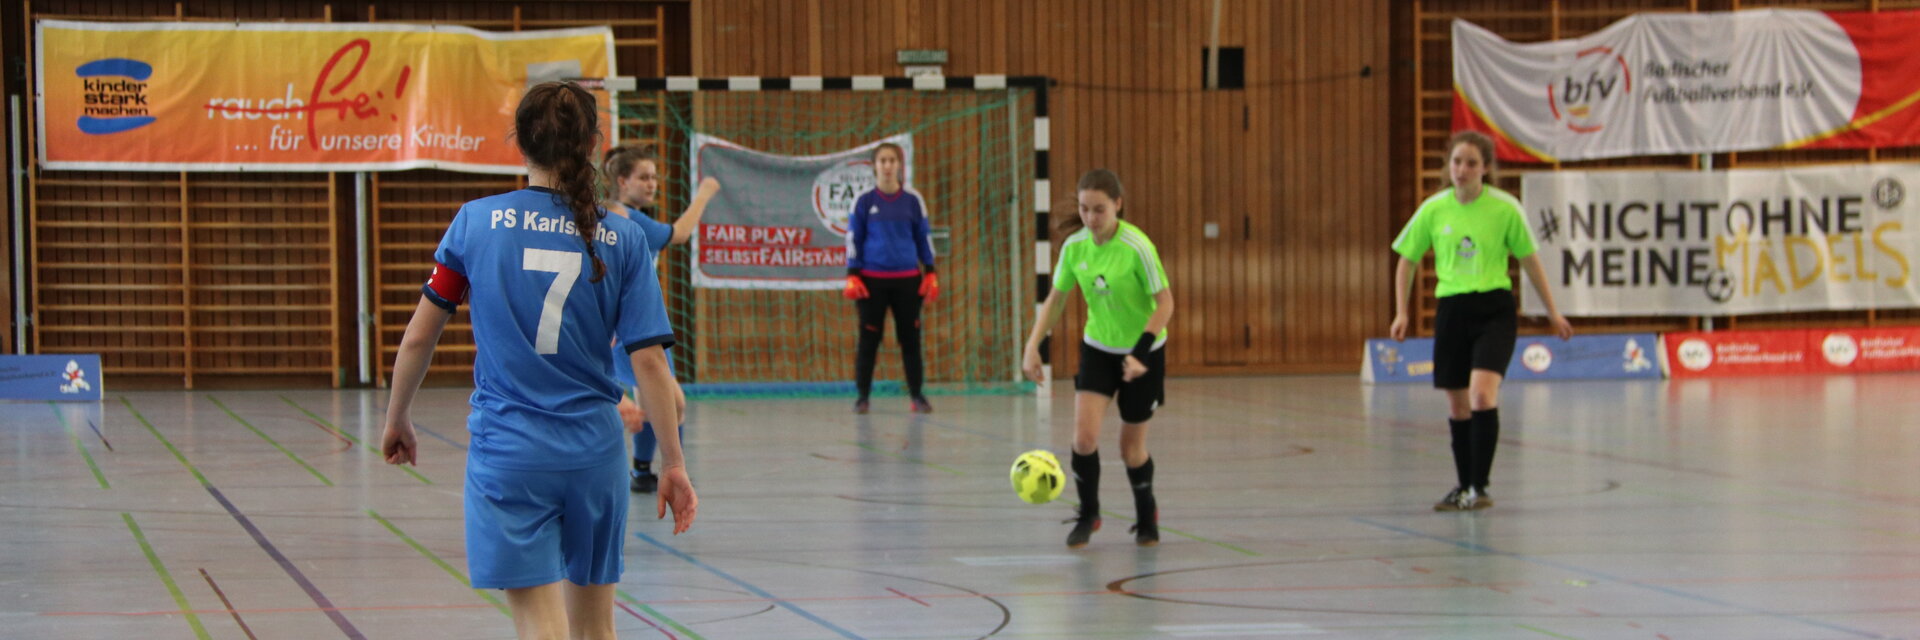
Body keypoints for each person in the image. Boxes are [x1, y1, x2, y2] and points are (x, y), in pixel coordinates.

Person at [378, 81, 696, 640]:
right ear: (595, 144)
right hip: (595, 455)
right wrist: (672, 463)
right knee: (597, 627)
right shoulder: (623, 238)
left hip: (511, 451)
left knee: (538, 622)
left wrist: (397, 417)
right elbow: (649, 364)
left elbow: (417, 339)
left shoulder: (476, 223)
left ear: (520, 144)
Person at [1388, 130, 1573, 512]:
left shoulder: (1505, 209)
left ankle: (1480, 486)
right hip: (1452, 311)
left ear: (1485, 168)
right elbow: (1406, 258)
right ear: (1448, 166)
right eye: (1457, 162)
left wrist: (1553, 311)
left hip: (1494, 310)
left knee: (1481, 395)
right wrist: (1402, 311)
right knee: (1458, 407)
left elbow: (1530, 261)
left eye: (1471, 163)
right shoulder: (1434, 209)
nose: (1462, 169)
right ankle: (1464, 485)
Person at [1022, 169, 1172, 549]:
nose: (1091, 218)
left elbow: (1165, 303)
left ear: (1118, 205)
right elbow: (1056, 300)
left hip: (1144, 354)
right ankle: (1089, 514)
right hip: (1099, 350)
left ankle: (1146, 516)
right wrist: (1032, 344)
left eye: (1100, 210)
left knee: (1130, 450)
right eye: (1085, 209)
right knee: (1084, 439)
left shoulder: (1137, 246)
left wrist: (1140, 351)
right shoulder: (1075, 247)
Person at [602, 143, 722, 493]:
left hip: (639, 323)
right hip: (630, 328)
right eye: (644, 177)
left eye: (655, 177)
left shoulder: (622, 214)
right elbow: (681, 233)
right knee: (670, 402)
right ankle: (667, 468)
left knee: (652, 403)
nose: (652, 183)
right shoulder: (628, 217)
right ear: (622, 181)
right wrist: (704, 194)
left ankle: (642, 471)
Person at [843, 142, 939, 414]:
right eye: (882, 160)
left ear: (899, 165)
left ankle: (917, 396)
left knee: (910, 340)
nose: (887, 165)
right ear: (875, 166)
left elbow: (924, 237)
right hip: (871, 282)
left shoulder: (913, 200)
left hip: (907, 281)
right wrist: (853, 274)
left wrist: (930, 271)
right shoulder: (863, 201)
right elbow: (853, 238)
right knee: (868, 340)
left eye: (892, 160)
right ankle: (862, 397)